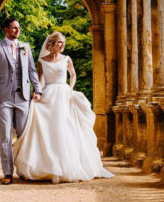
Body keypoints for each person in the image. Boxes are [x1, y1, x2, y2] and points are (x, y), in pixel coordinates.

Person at [13, 31, 114, 183]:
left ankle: (67, 166)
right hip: (48, 93)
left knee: (66, 128)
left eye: (63, 43)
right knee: (48, 128)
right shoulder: (42, 60)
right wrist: (37, 94)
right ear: (52, 43)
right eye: (59, 42)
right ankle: (45, 165)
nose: (62, 45)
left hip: (63, 93)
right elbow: (40, 80)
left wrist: (71, 90)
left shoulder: (66, 59)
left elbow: (72, 74)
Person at [0, 18, 42, 185]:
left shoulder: (26, 47)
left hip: (23, 97)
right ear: (6, 30)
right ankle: (8, 173)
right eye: (14, 28)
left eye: (18, 27)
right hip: (3, 98)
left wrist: (37, 90)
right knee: (5, 137)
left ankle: (24, 169)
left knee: (24, 135)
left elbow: (32, 70)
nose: (17, 30)